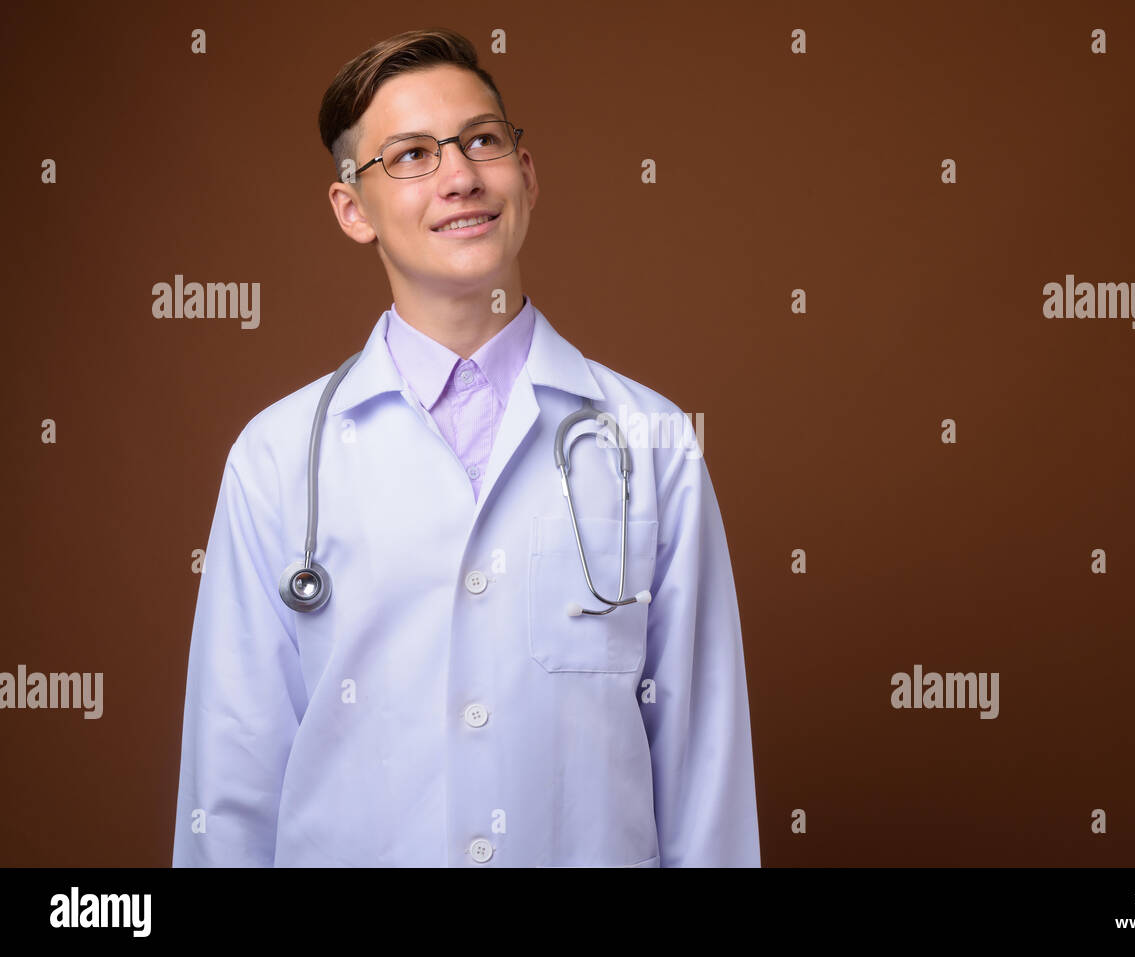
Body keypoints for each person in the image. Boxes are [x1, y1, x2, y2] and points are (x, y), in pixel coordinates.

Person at [171, 28, 760, 867]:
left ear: (527, 172)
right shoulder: (275, 459)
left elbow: (706, 773)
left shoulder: (649, 442)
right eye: (411, 154)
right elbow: (230, 781)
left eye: (483, 140)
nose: (459, 176)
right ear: (351, 209)